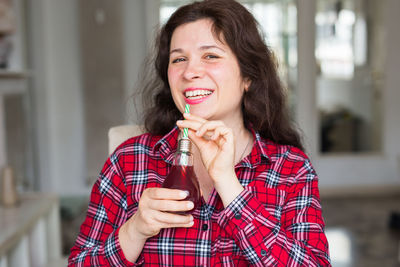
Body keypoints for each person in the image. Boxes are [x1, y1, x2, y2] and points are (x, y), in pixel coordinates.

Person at [68, 0, 331, 266]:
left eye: (211, 56)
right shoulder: (129, 161)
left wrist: (229, 184)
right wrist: (134, 230)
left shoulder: (290, 169)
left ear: (248, 76)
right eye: (179, 59)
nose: (190, 72)